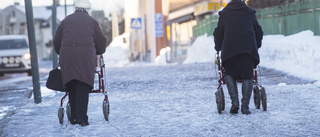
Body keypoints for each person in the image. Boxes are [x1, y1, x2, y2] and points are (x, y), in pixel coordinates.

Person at [53, 0, 108, 126]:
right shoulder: (92, 22)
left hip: (67, 55)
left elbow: (57, 41)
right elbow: (100, 40)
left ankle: (73, 118)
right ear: (88, 9)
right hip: (85, 56)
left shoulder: (66, 21)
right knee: (83, 83)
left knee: (71, 83)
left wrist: (61, 52)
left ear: (75, 8)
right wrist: (99, 51)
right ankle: (82, 118)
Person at [213, 0, 263, 114]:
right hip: (248, 49)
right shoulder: (249, 12)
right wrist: (257, 45)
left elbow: (218, 33)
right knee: (247, 75)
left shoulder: (224, 14)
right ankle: (245, 107)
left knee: (229, 73)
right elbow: (258, 31)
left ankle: (234, 103)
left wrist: (218, 47)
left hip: (230, 50)